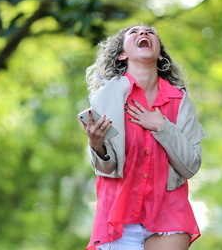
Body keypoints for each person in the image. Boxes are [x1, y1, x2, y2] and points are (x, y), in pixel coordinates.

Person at [81, 24, 205, 250]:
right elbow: (107, 169)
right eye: (134, 32)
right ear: (122, 54)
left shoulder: (179, 100)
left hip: (169, 213)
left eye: (150, 32)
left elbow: (190, 166)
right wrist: (97, 146)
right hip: (118, 217)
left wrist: (162, 127)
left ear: (160, 56)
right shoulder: (105, 98)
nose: (144, 33)